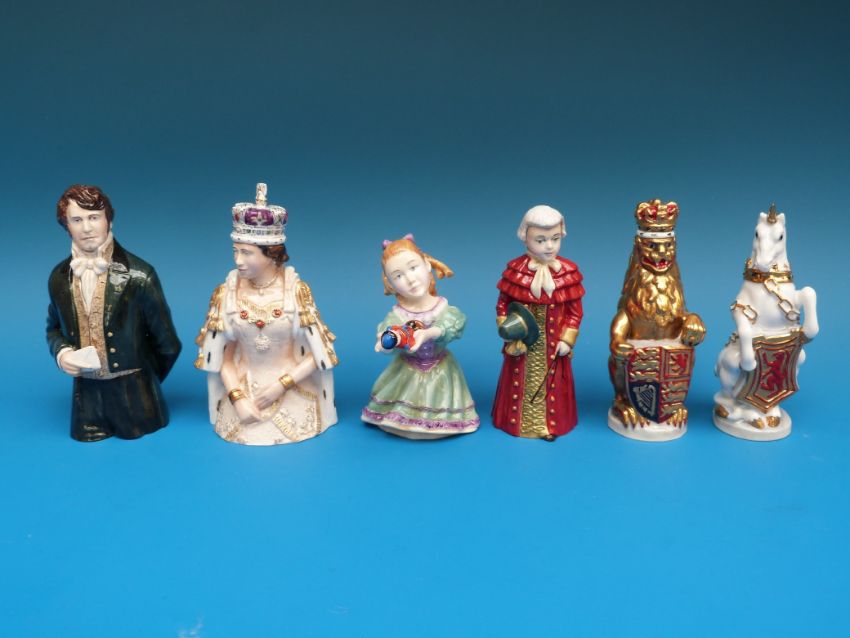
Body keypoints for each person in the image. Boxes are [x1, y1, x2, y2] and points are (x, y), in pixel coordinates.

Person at [195, 183, 337, 445]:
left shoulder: (295, 292)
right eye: (235, 251)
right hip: (243, 388)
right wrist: (237, 398)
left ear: (271, 255)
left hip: (291, 388)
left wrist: (280, 386)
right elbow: (225, 357)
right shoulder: (228, 293)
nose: (238, 261)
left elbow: (318, 354)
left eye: (246, 253)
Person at [46, 184, 181, 441]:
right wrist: (63, 353)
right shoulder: (59, 278)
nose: (87, 228)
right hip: (86, 399)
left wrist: (146, 384)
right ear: (66, 225)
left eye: (94, 217)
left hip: (135, 399)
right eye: (77, 220)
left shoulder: (140, 275)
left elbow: (168, 345)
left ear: (109, 219)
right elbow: (53, 328)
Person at [361, 235, 479, 439]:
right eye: (398, 276)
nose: (410, 279)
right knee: (402, 397)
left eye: (413, 267)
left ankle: (439, 422)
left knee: (439, 394)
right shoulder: (398, 314)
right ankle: (402, 419)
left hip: (440, 368)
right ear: (390, 284)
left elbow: (454, 323)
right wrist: (386, 343)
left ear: (426, 264)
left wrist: (429, 333)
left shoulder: (441, 306)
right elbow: (389, 333)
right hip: (407, 369)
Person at [492, 205, 585, 441]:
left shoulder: (568, 272)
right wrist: (508, 330)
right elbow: (502, 305)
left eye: (555, 239)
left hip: (553, 347)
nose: (549, 246)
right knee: (520, 381)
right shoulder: (515, 271)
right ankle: (518, 423)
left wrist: (567, 339)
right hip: (523, 345)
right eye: (541, 240)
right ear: (525, 237)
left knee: (553, 383)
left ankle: (549, 425)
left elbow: (575, 312)